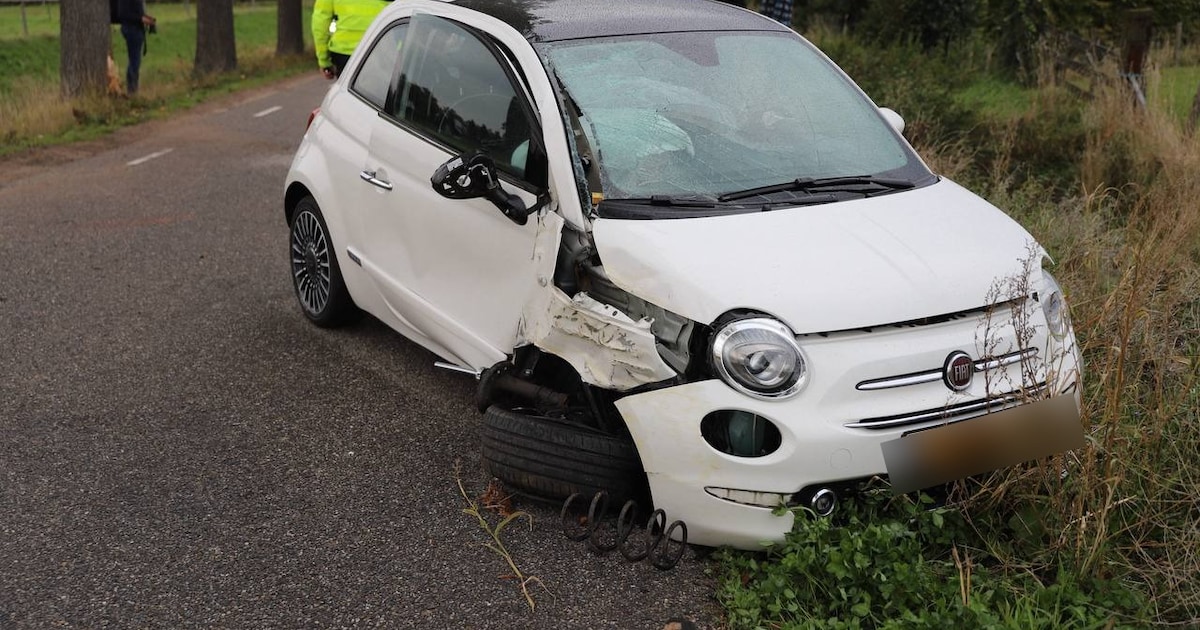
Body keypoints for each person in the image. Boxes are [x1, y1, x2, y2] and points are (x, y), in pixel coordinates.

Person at [312, 0, 391, 80]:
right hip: (381, 50)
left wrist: (324, 61)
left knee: (347, 91)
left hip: (345, 53)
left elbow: (320, 26)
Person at [112, 0, 156, 95]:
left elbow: (133, 11)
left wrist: (145, 18)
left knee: (134, 60)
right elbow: (124, 14)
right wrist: (141, 18)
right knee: (134, 61)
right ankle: (132, 91)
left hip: (133, 27)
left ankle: (133, 89)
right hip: (131, 28)